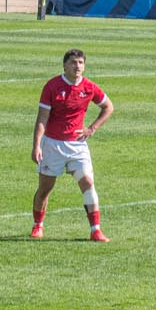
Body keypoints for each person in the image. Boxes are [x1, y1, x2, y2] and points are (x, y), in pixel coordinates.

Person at [31, 49, 113, 242]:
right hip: (52, 144)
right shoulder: (52, 86)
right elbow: (42, 118)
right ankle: (38, 225)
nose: (78, 67)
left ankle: (96, 230)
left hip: (78, 146)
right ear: (65, 65)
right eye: (74, 63)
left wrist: (91, 128)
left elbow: (108, 107)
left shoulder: (89, 87)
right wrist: (37, 146)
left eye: (81, 63)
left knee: (88, 183)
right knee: (45, 189)